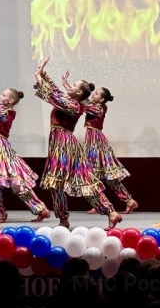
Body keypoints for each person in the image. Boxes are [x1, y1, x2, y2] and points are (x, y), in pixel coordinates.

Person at [34, 57, 122, 229]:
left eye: (74, 85)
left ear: (79, 93)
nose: (70, 87)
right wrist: (43, 73)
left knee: (59, 183)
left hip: (63, 146)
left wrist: (38, 76)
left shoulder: (74, 106)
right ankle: (109, 213)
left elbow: (53, 96)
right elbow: (55, 91)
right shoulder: (73, 102)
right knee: (68, 183)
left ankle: (65, 219)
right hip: (62, 143)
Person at [0, 71, 50, 224]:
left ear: (10, 100)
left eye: (3, 95)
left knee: (3, 183)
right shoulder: (4, 111)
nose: (0, 96)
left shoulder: (5, 112)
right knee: (5, 183)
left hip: (0, 150)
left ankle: (10, 213)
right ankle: (38, 209)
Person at [61, 72, 138, 215]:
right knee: (101, 175)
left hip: (96, 141)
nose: (93, 95)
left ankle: (113, 202)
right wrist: (66, 84)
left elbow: (80, 99)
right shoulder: (95, 105)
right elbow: (80, 98)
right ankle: (122, 201)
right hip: (93, 139)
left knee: (95, 173)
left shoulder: (97, 108)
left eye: (96, 94)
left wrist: (68, 86)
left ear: (101, 99)